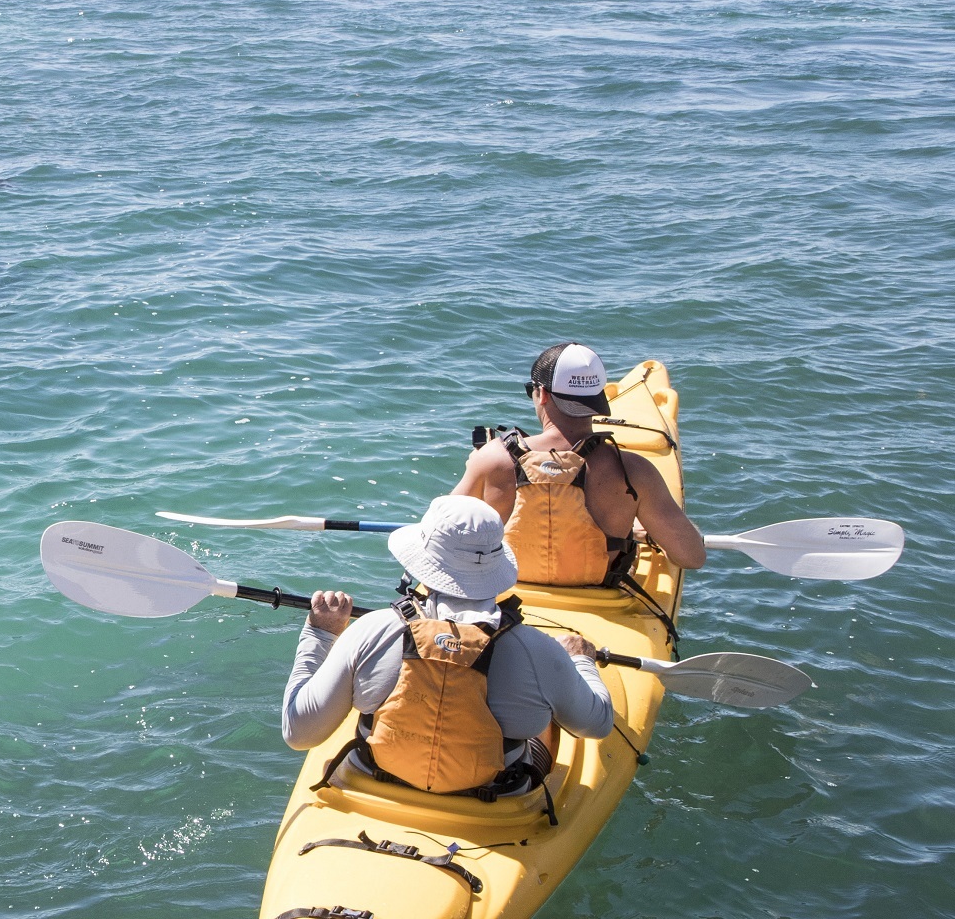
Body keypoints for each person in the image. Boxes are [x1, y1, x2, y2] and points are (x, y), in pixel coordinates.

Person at [282, 496, 612, 801]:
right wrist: (580, 659)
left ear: (417, 566)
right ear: (494, 567)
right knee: (544, 716)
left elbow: (299, 733)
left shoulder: (373, 629)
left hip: (374, 780)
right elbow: (595, 725)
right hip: (493, 801)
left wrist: (321, 633)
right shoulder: (538, 651)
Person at [450, 342, 705, 586]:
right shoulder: (634, 471)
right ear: (599, 398)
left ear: (542, 395)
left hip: (508, 592)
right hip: (598, 598)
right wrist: (645, 530)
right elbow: (691, 557)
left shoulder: (492, 458)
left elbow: (439, 536)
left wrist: (478, 466)